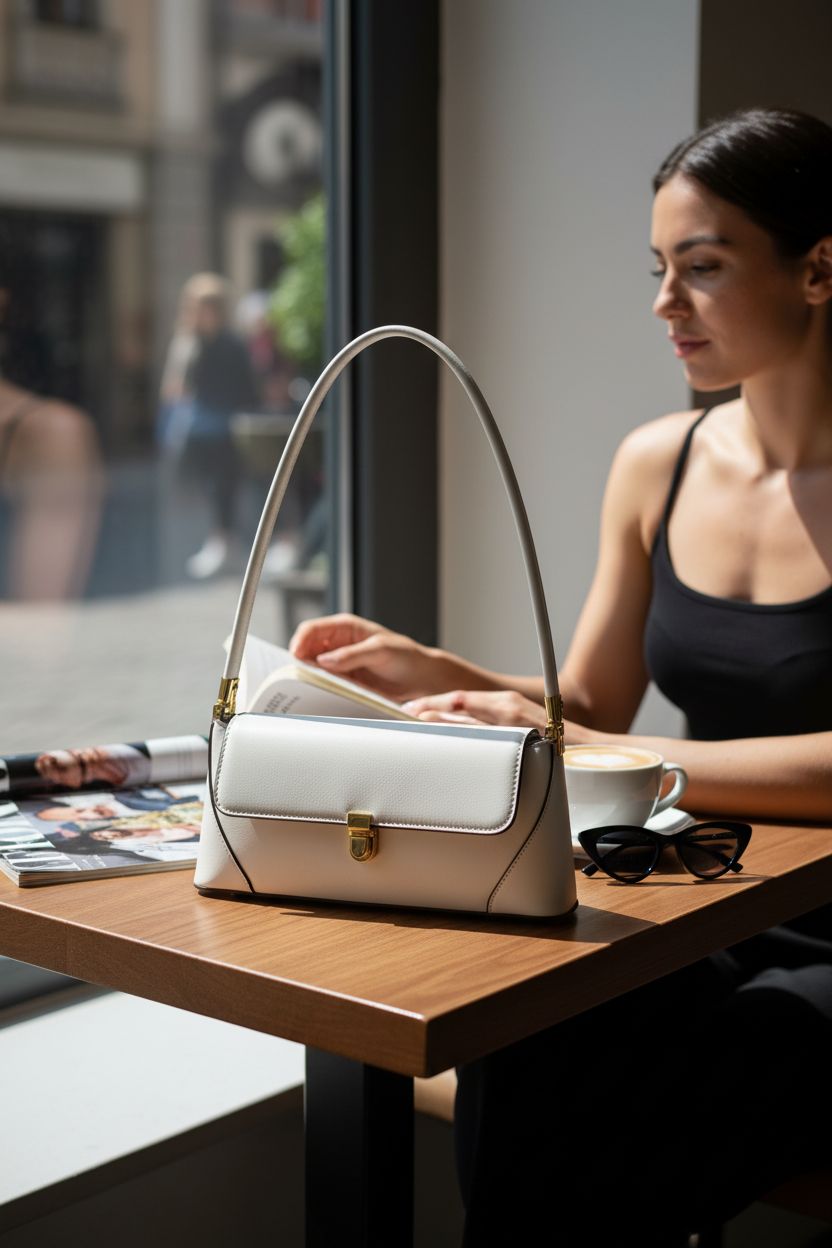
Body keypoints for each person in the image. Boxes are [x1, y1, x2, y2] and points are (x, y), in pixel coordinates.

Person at [288, 107, 832, 1244]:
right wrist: (433, 669)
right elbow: (589, 709)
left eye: (702, 268)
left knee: (708, 1070)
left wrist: (611, 758)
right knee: (534, 1019)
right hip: (711, 893)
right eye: (658, 269)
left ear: (819, 267)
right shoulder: (659, 461)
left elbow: (616, 750)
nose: (662, 304)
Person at [160, 273, 259, 579]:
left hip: (227, 429)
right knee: (207, 489)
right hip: (198, 429)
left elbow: (246, 389)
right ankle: (221, 541)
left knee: (227, 489)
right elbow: (174, 388)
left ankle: (228, 543)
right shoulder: (189, 343)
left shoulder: (232, 345)